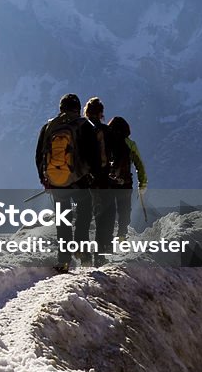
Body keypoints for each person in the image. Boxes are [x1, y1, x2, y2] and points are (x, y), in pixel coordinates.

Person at [36, 93, 99, 269]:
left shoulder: (49, 126)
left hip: (56, 182)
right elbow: (93, 154)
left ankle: (63, 261)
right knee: (84, 213)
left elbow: (39, 155)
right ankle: (81, 249)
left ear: (61, 108)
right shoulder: (84, 125)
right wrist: (95, 177)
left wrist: (45, 179)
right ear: (78, 109)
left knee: (62, 220)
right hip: (80, 180)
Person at [84, 97, 115, 265]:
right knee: (105, 215)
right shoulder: (105, 131)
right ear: (101, 113)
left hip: (80, 180)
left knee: (84, 217)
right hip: (101, 179)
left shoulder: (78, 129)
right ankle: (100, 254)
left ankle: (83, 255)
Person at [107, 116, 148, 238]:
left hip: (108, 182)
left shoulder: (106, 142)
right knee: (124, 209)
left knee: (109, 209)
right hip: (125, 182)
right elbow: (139, 165)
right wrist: (143, 183)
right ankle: (122, 235)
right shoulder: (130, 144)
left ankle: (106, 238)